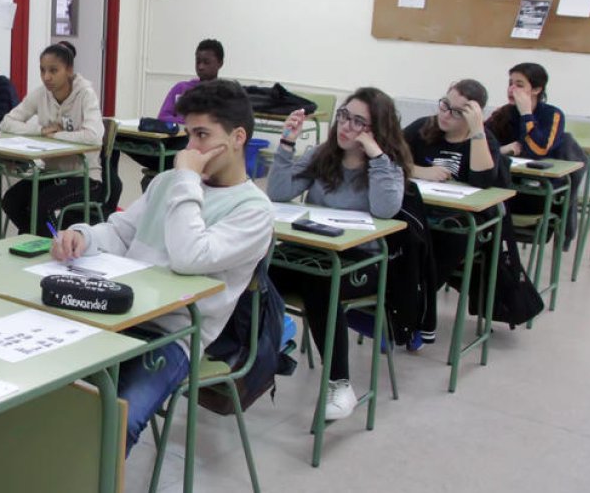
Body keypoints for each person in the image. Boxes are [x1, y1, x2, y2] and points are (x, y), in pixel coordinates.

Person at [50, 80, 273, 454]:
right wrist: (83, 237)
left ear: (237, 138)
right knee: (47, 395)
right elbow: (121, 233)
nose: (192, 148)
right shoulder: (170, 182)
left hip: (173, 336)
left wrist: (186, 178)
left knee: (113, 424)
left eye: (202, 135)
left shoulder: (253, 210)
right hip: (119, 314)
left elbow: (190, 256)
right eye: (189, 135)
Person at [265, 87, 410, 421]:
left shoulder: (387, 168)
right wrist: (287, 143)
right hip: (311, 253)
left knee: (321, 286)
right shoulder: (322, 156)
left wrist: (375, 156)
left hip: (361, 262)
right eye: (345, 116)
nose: (346, 126)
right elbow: (279, 192)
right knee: (255, 270)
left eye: (359, 122)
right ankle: (255, 350)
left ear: (377, 130)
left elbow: (387, 209)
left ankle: (340, 384)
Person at [403, 79, 503, 342]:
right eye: (445, 105)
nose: (446, 115)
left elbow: (484, 182)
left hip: (461, 220)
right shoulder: (424, 127)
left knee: (444, 243)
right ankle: (404, 306)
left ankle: (415, 309)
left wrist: (478, 130)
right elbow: (390, 157)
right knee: (406, 237)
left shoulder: (483, 139)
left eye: (457, 112)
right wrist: (420, 171)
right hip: (423, 211)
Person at [0, 42, 105, 236]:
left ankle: (50, 243)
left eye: (53, 71)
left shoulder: (86, 95)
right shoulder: (41, 93)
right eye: (42, 70)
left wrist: (56, 135)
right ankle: (41, 239)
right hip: (50, 174)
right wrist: (40, 130)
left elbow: (94, 137)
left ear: (69, 70)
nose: (46, 77)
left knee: (42, 206)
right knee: (10, 201)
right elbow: (7, 122)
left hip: (84, 176)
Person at [120, 39, 224, 189]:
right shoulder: (181, 88)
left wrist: (180, 121)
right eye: (198, 61)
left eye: (206, 62)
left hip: (195, 148)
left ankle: (163, 179)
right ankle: (109, 193)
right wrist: (186, 122)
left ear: (220, 63)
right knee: (116, 137)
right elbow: (163, 117)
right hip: (171, 141)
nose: (201, 66)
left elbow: (211, 125)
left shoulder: (222, 93)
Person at [485, 62, 565, 160]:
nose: (511, 89)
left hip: (541, 173)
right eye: (510, 84)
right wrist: (501, 150)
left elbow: (539, 151)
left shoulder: (553, 114)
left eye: (519, 85)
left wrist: (526, 114)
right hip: (509, 171)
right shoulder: (503, 112)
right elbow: (480, 145)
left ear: (536, 90)